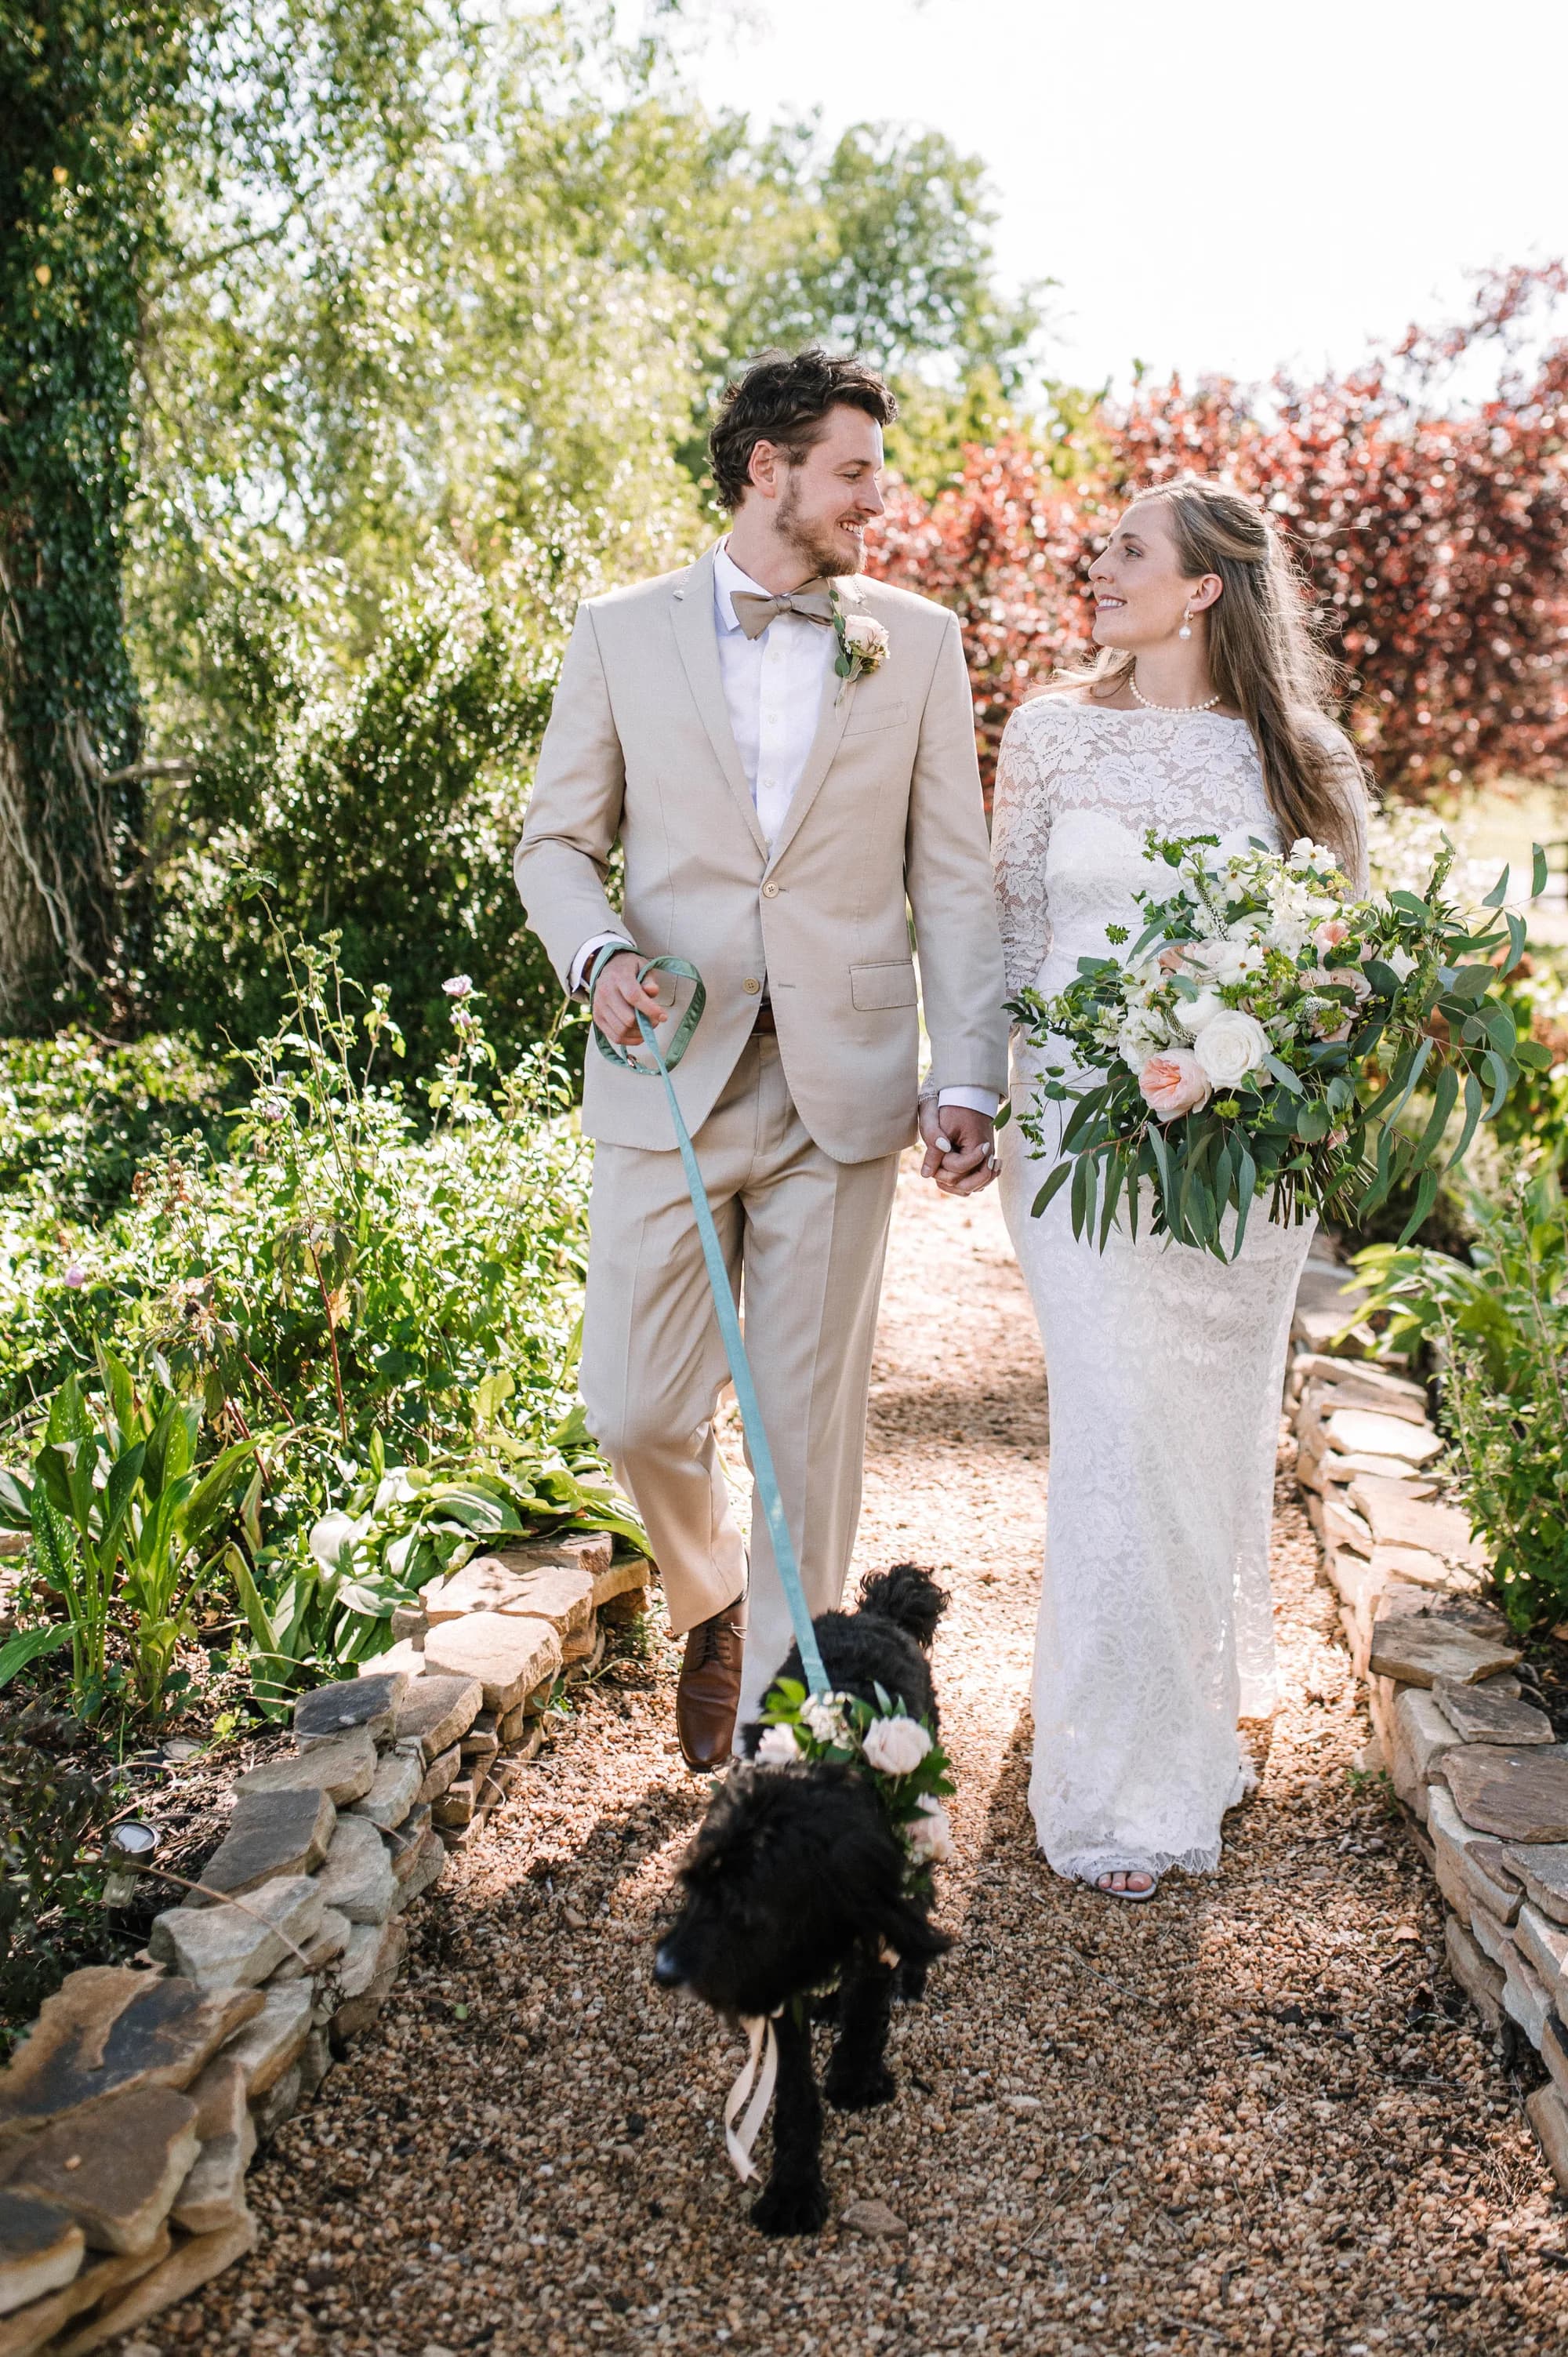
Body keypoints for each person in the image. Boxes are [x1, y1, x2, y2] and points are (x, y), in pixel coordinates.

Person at [514, 347, 1007, 1770]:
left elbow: (954, 876)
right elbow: (556, 840)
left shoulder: (916, 640)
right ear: (766, 471)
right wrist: (599, 958)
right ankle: (714, 1590)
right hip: (667, 1066)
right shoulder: (621, 632)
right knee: (636, 1404)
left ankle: (781, 1754)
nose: (877, 496)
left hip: (841, 1081)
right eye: (853, 469)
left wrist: (966, 1070)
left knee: (806, 1426)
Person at [991, 475, 1369, 1898]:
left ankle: (1185, 1714)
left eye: (1127, 550)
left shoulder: (1304, 764)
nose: (1098, 565)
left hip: (1236, 1164)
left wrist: (1250, 1059)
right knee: (1115, 1420)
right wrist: (974, 1090)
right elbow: (1011, 927)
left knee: (1197, 1443)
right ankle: (1119, 1782)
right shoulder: (1050, 732)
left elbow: (1337, 979)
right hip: (1081, 1144)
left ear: (1203, 586)